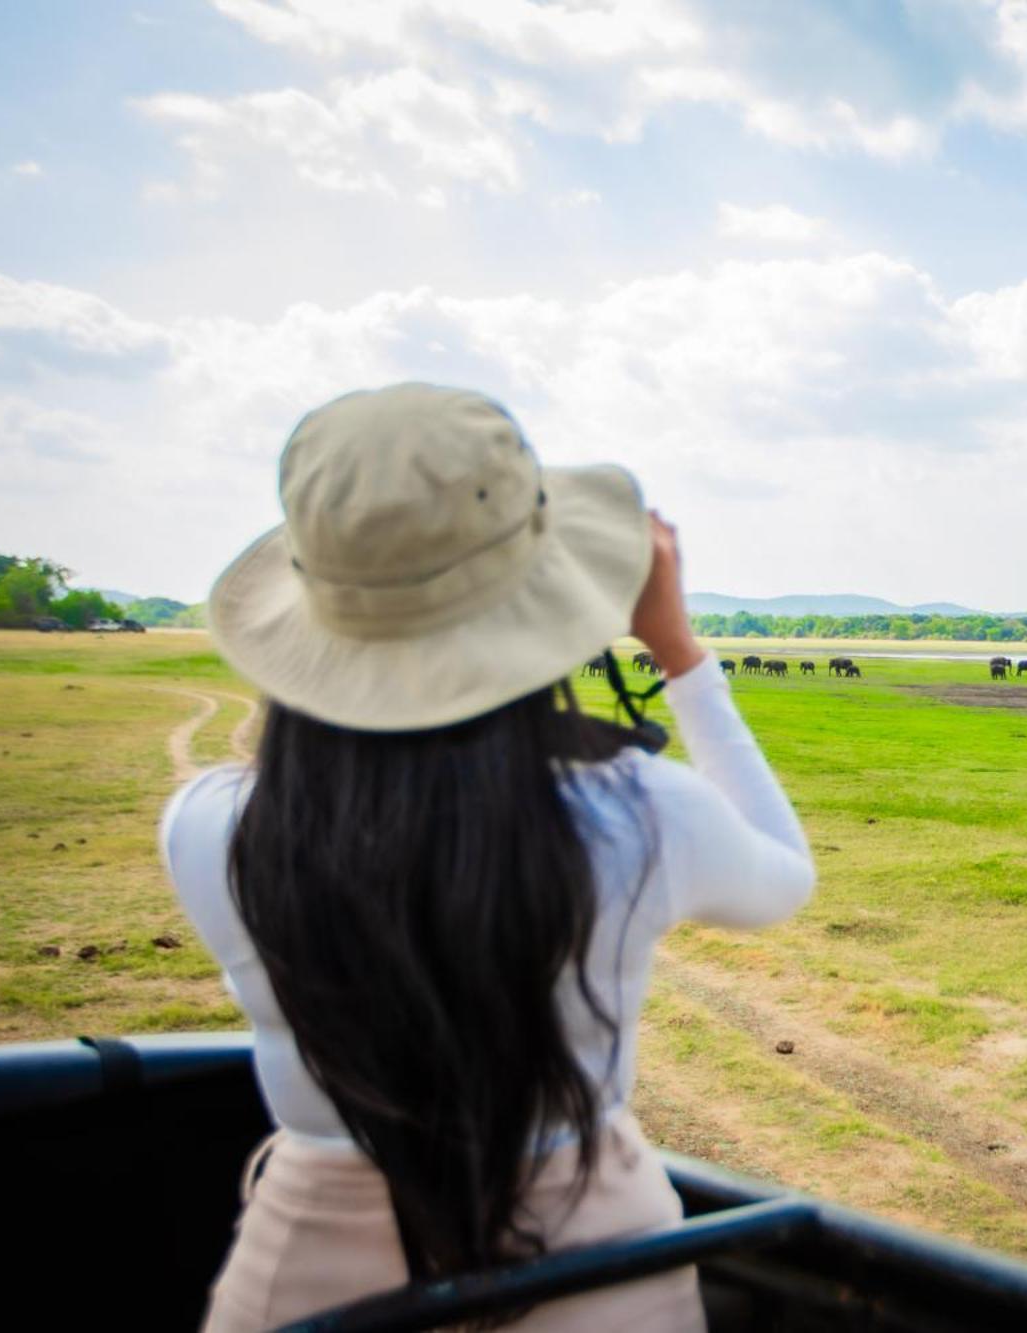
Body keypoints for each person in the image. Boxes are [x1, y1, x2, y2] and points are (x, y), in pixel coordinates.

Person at [160, 383, 815, 1330]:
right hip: (597, 1259)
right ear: (548, 597)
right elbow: (783, 873)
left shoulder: (210, 824)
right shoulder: (638, 815)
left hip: (306, 1265)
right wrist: (679, 652)